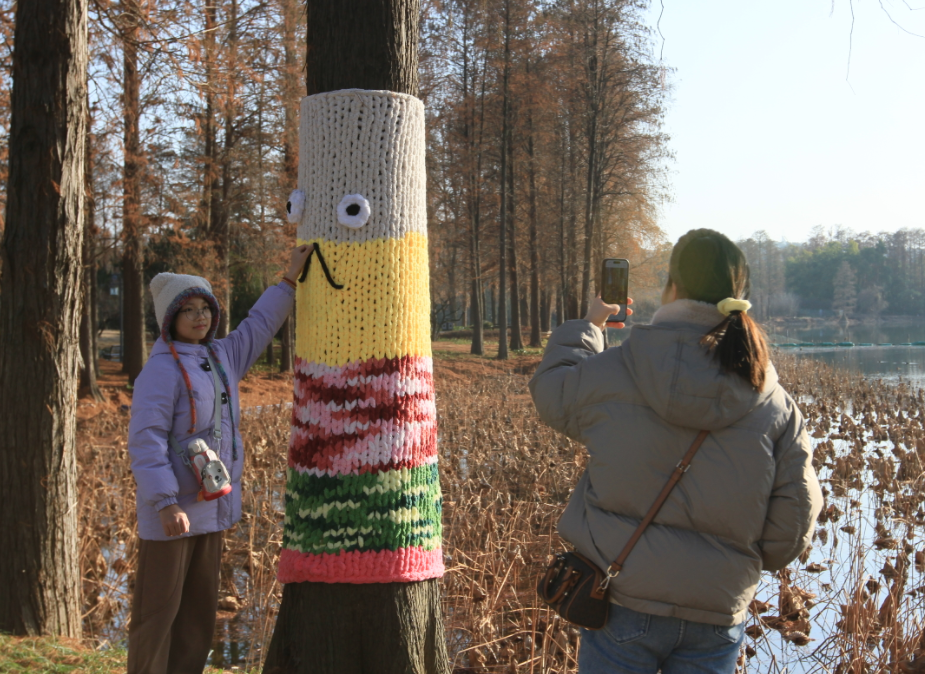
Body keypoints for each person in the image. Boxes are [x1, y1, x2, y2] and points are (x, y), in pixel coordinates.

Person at [530, 229, 822, 674]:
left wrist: (591, 327)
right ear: (737, 295)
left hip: (621, 599)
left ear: (670, 286)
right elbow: (794, 519)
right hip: (717, 612)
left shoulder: (619, 368)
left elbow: (552, 391)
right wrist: (732, 565)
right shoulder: (775, 401)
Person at [126, 244, 312, 674]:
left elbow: (260, 323)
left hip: (210, 508)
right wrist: (165, 502)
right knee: (157, 615)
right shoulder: (160, 370)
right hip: (171, 513)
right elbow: (146, 439)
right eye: (187, 309)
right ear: (169, 318)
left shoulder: (221, 356)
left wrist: (288, 279)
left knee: (198, 614)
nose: (199, 316)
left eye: (205, 308)